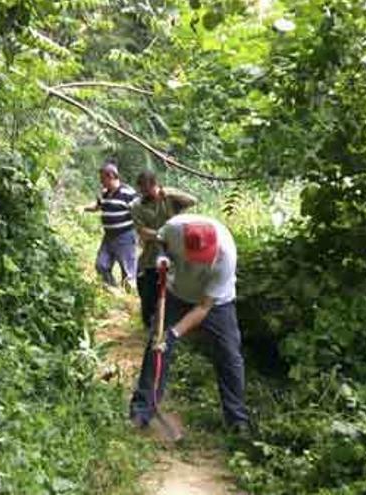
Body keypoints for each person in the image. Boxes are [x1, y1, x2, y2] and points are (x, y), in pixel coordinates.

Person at [129, 213, 250, 432]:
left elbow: (204, 307)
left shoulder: (226, 255)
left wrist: (174, 333)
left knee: (229, 355)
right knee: (157, 347)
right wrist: (161, 258)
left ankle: (237, 420)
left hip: (216, 304)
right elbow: (159, 241)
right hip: (176, 294)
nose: (200, 262)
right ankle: (142, 411)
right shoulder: (175, 228)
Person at [131, 170, 197, 331]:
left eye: (149, 189)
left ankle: (170, 327)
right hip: (151, 256)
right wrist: (163, 235)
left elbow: (192, 201)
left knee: (173, 294)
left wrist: (168, 192)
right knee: (147, 294)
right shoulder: (136, 206)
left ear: (156, 185)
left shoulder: (169, 198)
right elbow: (142, 231)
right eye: (143, 191)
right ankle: (149, 327)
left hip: (174, 254)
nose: (146, 194)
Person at [82, 160, 139, 289]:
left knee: (128, 273)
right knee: (101, 265)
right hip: (108, 237)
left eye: (103, 179)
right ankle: (113, 290)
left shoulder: (128, 193)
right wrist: (84, 208)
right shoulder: (105, 193)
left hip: (125, 237)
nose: (101, 182)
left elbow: (139, 212)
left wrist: (141, 233)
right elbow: (97, 206)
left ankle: (130, 302)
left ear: (111, 176)